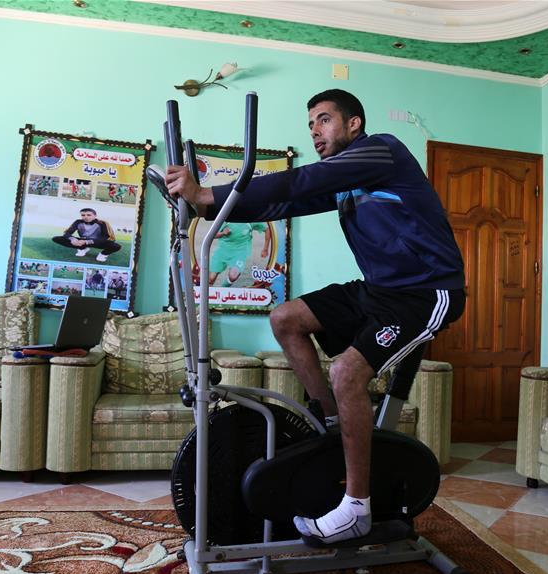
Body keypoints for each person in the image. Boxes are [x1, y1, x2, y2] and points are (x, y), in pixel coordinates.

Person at [165, 89, 465, 545]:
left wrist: (207, 189)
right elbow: (284, 203)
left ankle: (357, 511)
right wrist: (210, 207)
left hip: (427, 291)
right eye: (310, 125)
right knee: (285, 318)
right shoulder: (344, 183)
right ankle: (330, 425)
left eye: (324, 120)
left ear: (354, 124)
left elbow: (299, 182)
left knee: (347, 372)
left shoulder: (384, 151)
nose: (315, 131)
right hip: (378, 291)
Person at [208, 222, 271, 286]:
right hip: (223, 250)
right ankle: (207, 294)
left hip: (240, 252)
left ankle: (223, 288)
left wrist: (265, 249)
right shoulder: (225, 218)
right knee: (211, 278)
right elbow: (212, 235)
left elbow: (267, 229)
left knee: (233, 276)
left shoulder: (251, 220)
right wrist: (223, 233)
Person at [51, 207, 121, 262]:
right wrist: (73, 239)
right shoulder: (78, 222)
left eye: (89, 215)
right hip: (83, 241)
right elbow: (67, 233)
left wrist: (87, 242)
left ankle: (103, 254)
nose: (86, 217)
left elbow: (107, 237)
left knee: (116, 246)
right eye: (83, 215)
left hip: (97, 242)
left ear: (95, 215)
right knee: (57, 238)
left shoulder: (102, 223)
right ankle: (82, 248)